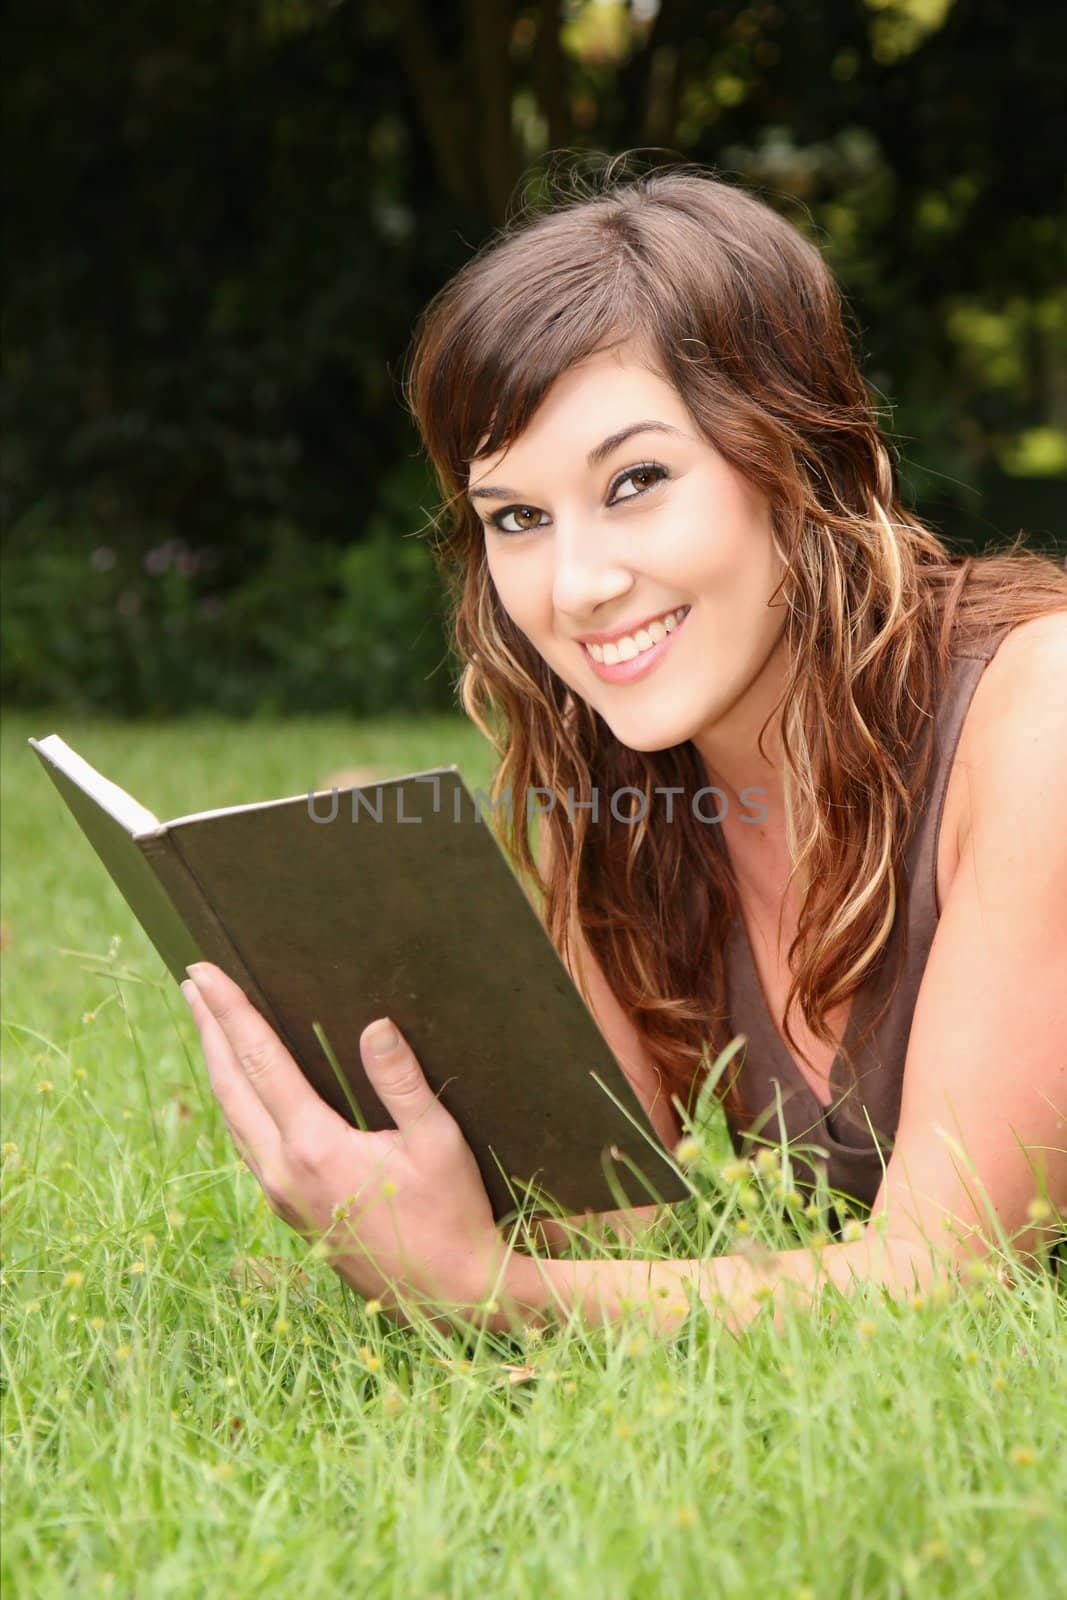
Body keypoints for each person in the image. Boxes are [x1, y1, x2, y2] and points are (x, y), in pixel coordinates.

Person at [181, 160, 1067, 1339]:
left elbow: (946, 1277)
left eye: (636, 481)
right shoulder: (633, 785)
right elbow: (606, 1224)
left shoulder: (1036, 711)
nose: (576, 586)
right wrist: (392, 1139)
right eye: (516, 518)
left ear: (802, 459)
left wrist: (482, 1287)